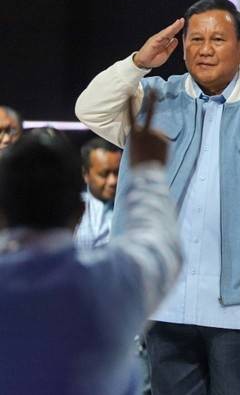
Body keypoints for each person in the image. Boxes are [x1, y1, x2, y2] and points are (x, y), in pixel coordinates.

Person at [75, 0, 240, 395]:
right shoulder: (152, 101)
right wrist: (139, 62)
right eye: (195, 39)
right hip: (165, 298)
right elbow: (89, 109)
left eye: (218, 39)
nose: (204, 49)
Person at [0, 103, 182, 394]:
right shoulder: (111, 283)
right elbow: (158, 241)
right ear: (79, 211)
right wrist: (148, 170)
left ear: (3, 212)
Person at [75, 137, 122, 249]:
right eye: (104, 174)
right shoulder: (71, 209)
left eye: (117, 172)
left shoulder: (130, 208)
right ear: (86, 174)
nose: (113, 181)